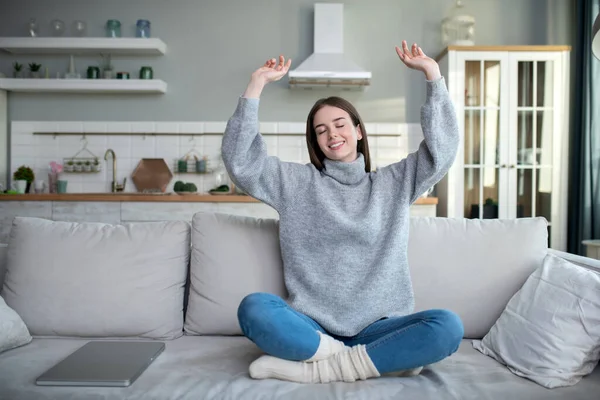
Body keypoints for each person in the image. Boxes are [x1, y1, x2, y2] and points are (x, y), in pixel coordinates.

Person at [221, 40, 463, 384]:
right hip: (313, 328)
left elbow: (443, 152)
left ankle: (321, 370)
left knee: (446, 327)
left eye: (339, 124)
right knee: (254, 308)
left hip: (381, 328)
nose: (332, 134)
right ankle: (369, 363)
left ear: (358, 130)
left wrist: (433, 75)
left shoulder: (394, 182)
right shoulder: (295, 184)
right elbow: (241, 163)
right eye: (321, 131)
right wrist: (255, 86)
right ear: (315, 142)